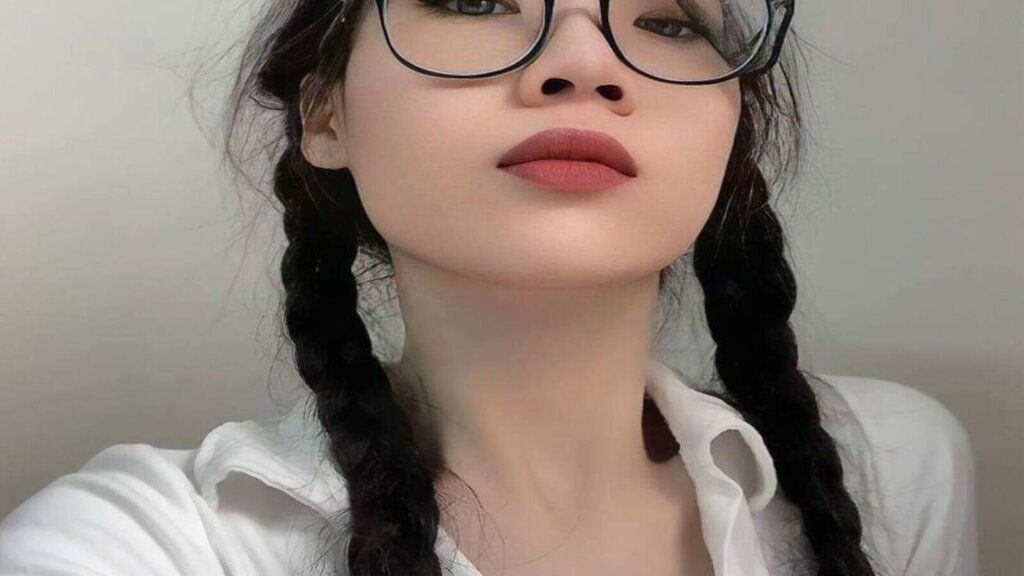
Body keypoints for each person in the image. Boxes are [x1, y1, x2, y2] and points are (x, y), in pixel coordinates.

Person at [0, 0, 978, 574]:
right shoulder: (148, 543)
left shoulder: (893, 466)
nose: (586, 64)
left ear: (730, 135)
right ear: (325, 113)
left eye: (666, 19)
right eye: (472, 0)